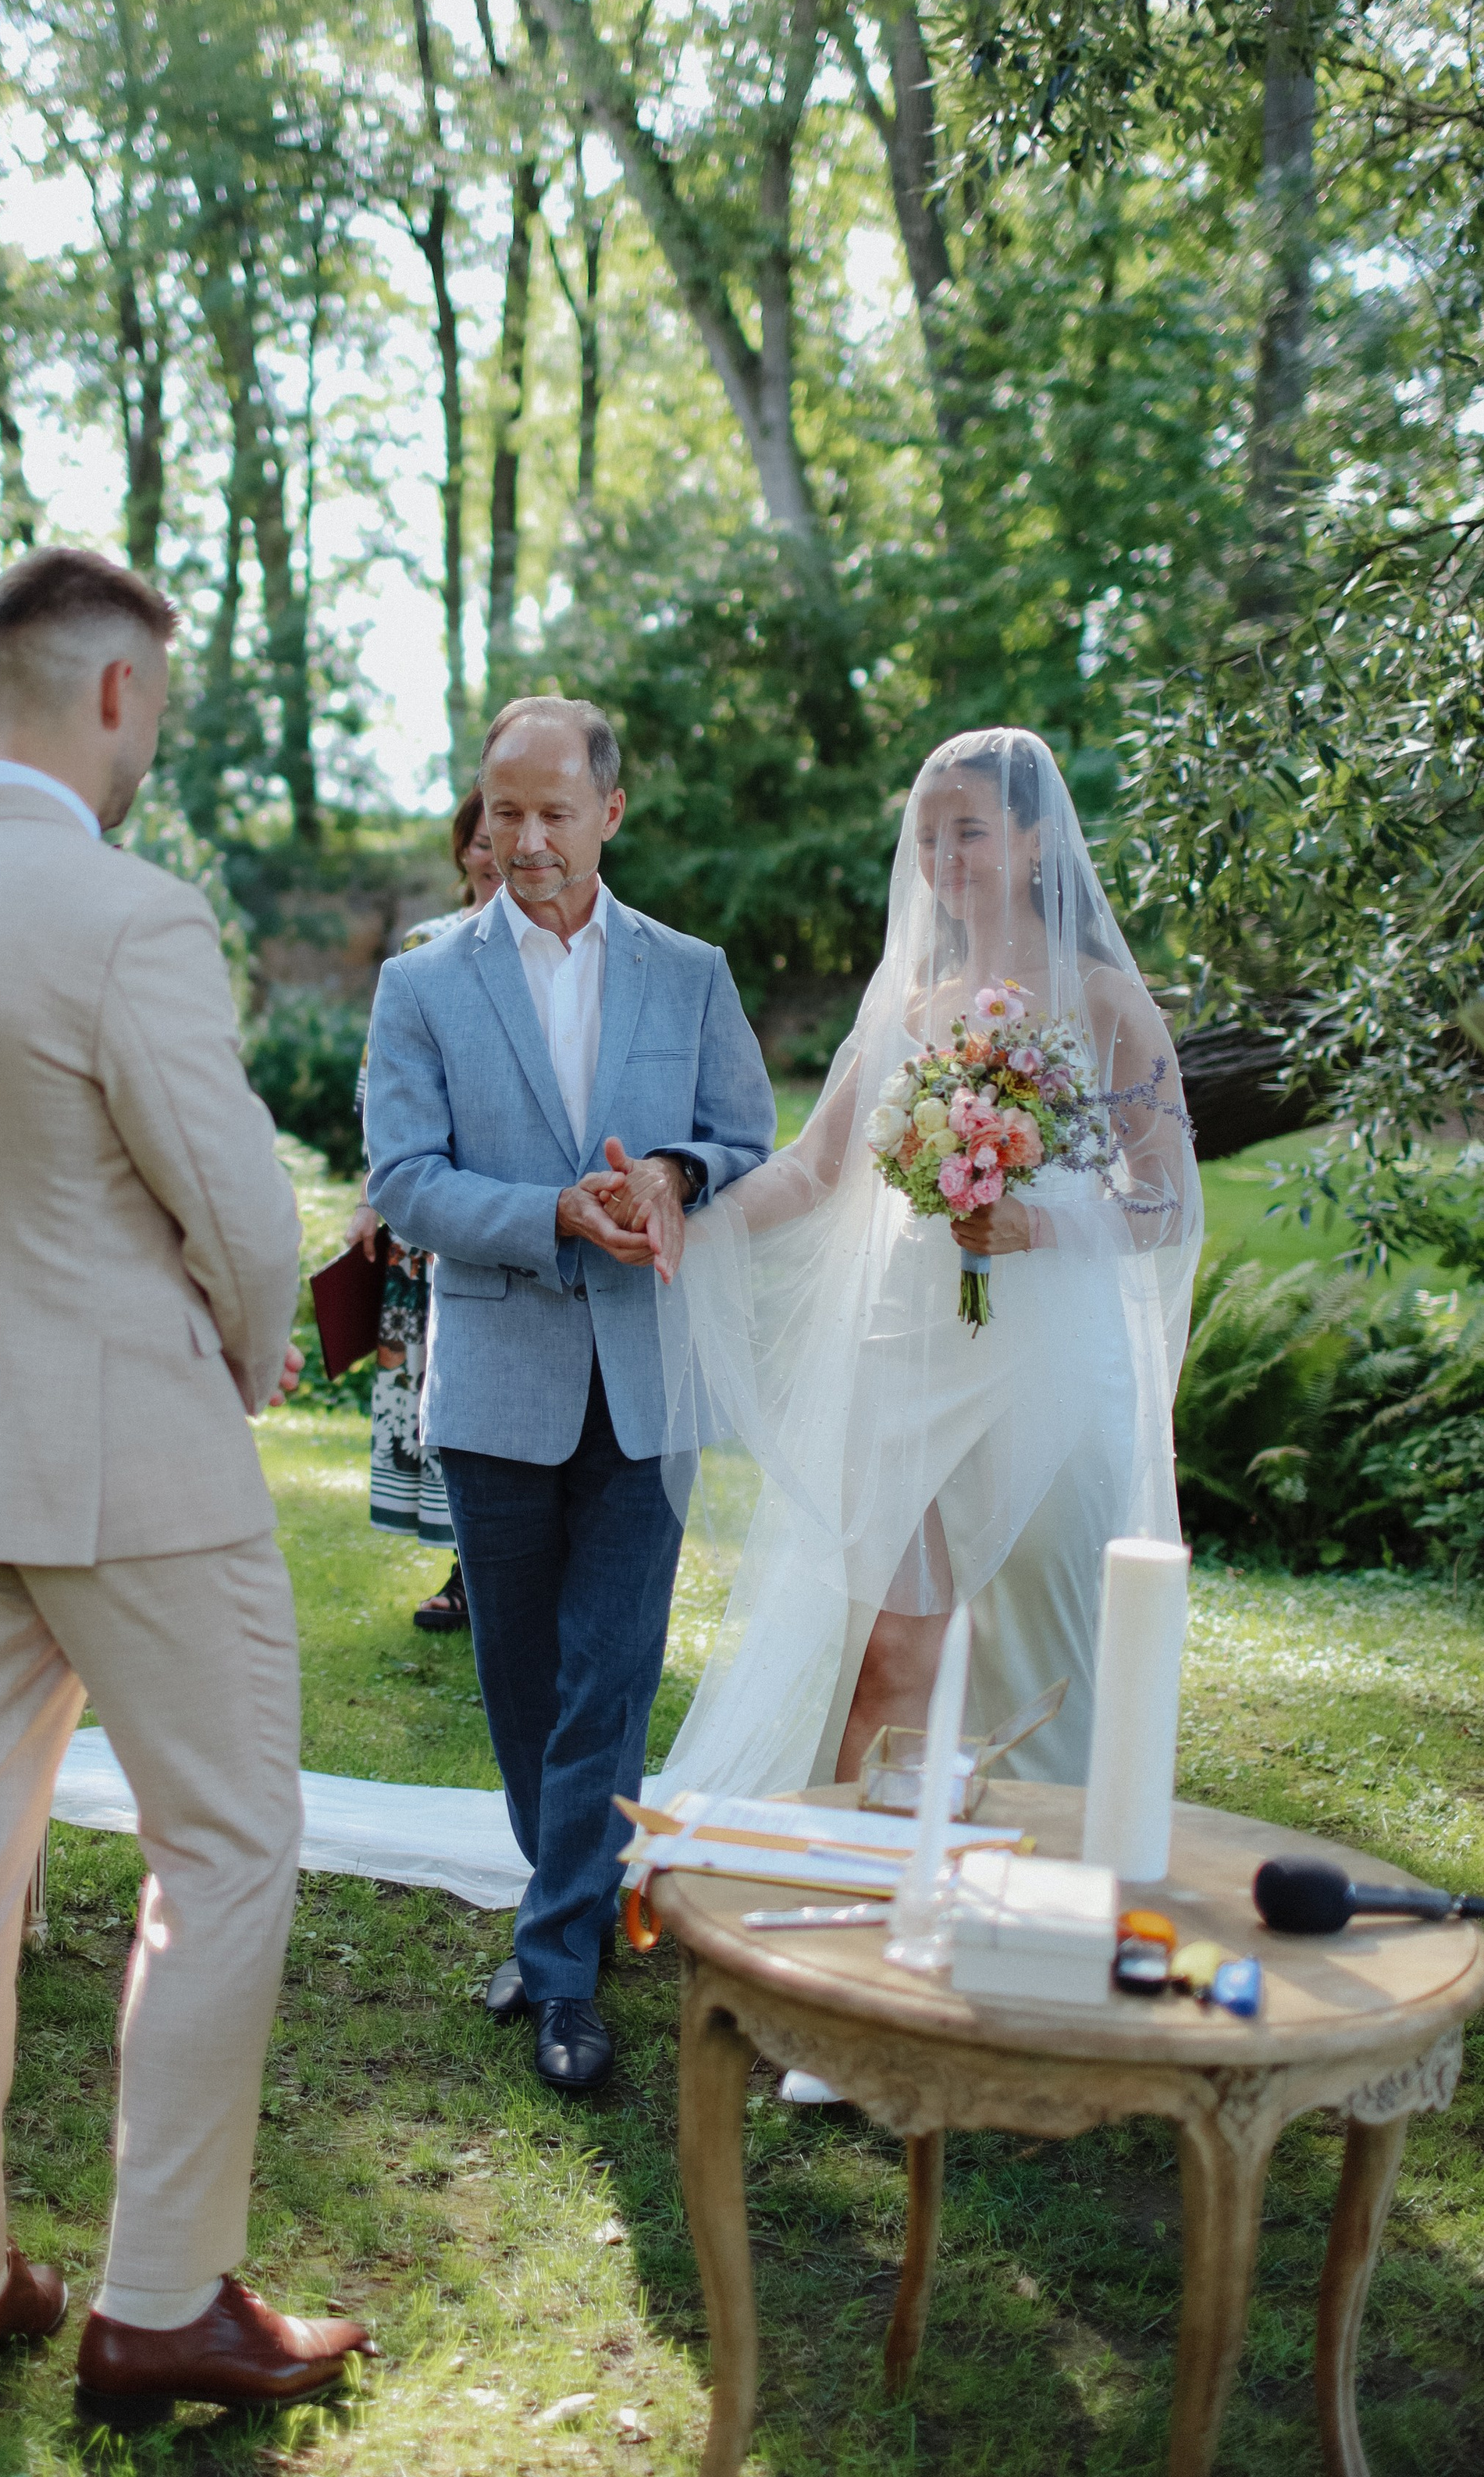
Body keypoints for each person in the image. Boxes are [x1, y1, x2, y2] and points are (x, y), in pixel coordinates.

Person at [0, 544, 371, 2423]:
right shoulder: (128, 911)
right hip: (129, 1455)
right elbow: (231, 1204)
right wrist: (244, 1343)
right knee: (225, 1844)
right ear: (115, 690)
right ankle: (154, 2298)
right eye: (162, 705)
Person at [646, 726, 1203, 1817]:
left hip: (1053, 1374)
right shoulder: (904, 1010)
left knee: (1041, 1652)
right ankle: (853, 1905)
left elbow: (1167, 1195)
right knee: (886, 1659)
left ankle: (1032, 1902)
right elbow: (811, 1169)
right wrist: (690, 1216)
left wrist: (1040, 1231)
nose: (946, 860)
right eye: (929, 836)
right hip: (904, 1358)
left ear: (1037, 841)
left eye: (971, 833)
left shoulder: (1104, 1004)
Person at [362, 696, 775, 2093]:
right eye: (502, 811)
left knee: (610, 1676)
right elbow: (405, 1181)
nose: (523, 840)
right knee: (523, 1687)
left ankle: (560, 1985)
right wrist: (553, 1210)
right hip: (499, 1382)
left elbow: (745, 1142)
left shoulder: (691, 972)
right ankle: (577, 1913)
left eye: (551, 813)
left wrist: (673, 1176)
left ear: (611, 812)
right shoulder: (420, 982)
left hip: (650, 1380)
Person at [344, 787, 504, 1630]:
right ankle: (466, 1566)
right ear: (462, 851)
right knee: (439, 1386)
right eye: (479, 839)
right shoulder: (420, 951)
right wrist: (368, 1198)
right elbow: (383, 1097)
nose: (493, 853)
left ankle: (485, 1569)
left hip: (506, 1203)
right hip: (425, 1213)